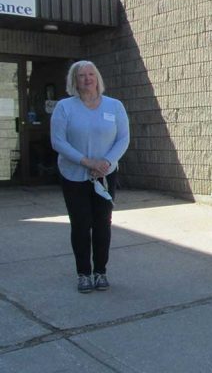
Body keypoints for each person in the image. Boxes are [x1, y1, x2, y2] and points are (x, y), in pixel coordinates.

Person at [51, 61, 130, 293]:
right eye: (81, 75)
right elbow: (58, 142)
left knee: (102, 224)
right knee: (81, 225)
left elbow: (123, 139)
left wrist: (105, 163)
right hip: (74, 175)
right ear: (74, 81)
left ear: (97, 78)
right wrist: (87, 162)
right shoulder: (65, 107)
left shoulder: (114, 106)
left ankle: (100, 272)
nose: (87, 79)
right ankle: (84, 273)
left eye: (91, 74)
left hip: (104, 176)